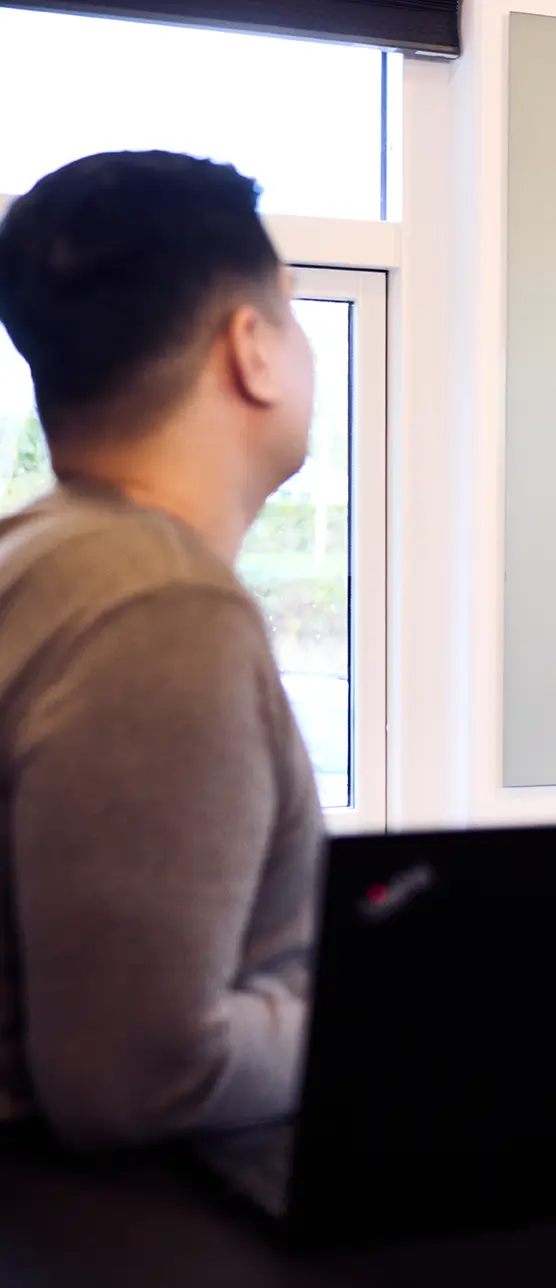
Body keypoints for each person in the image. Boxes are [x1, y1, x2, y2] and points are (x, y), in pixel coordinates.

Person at [0, 152, 320, 1149]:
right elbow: (140, 1076)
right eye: (291, 312)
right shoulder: (161, 605)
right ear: (250, 348)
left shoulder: (42, 554)